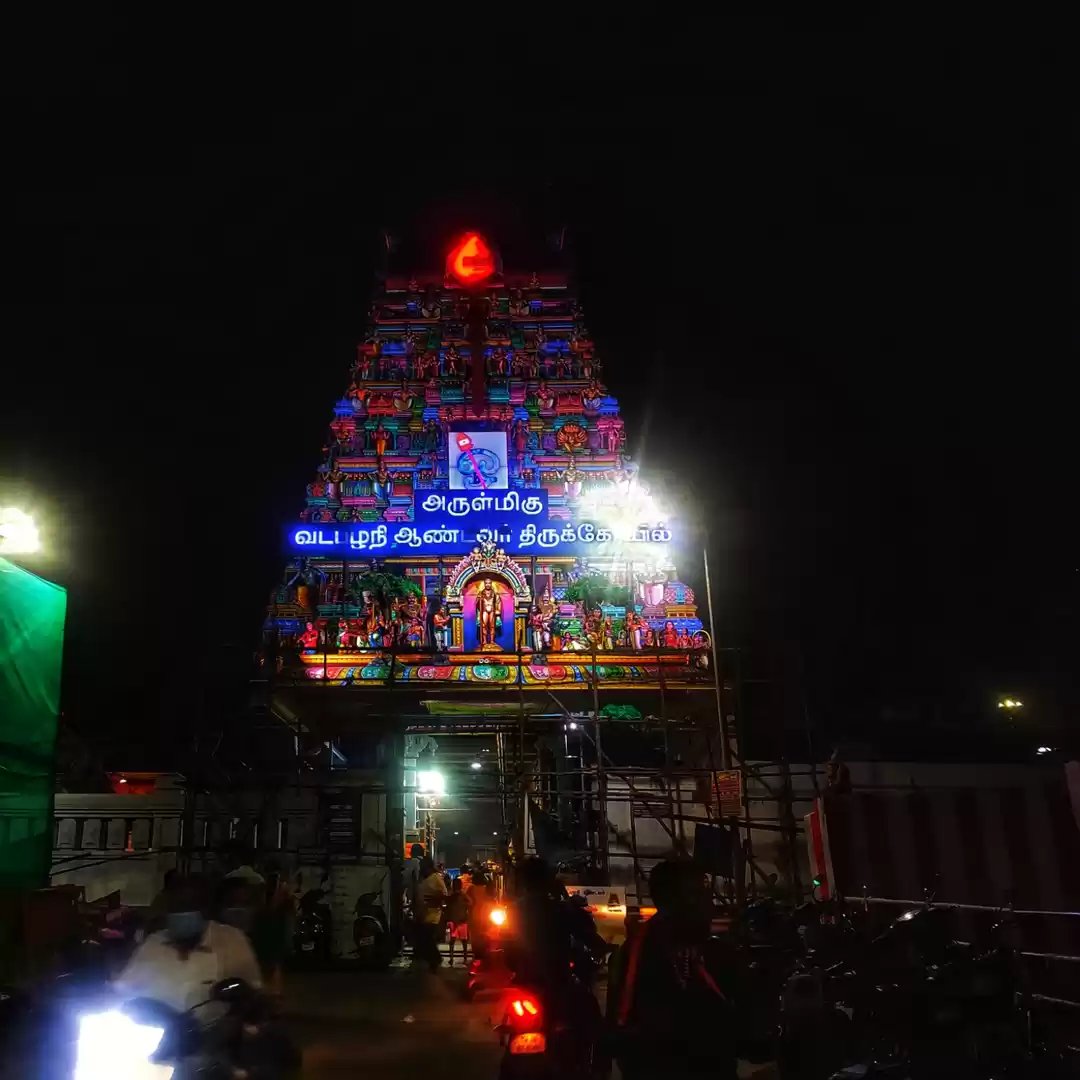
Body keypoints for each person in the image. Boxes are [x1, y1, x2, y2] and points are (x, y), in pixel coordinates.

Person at [609, 860, 735, 1080]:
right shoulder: (636, 955)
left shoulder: (714, 950)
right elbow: (621, 1028)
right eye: (696, 893)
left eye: (705, 893)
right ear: (670, 902)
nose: (709, 903)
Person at [114, 874, 262, 1021]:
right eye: (176, 907)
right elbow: (123, 987)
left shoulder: (231, 940)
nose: (181, 913)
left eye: (188, 906)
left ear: (205, 910)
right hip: (156, 1033)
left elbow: (251, 989)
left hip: (209, 1036)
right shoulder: (153, 943)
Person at [413, 856, 448, 971]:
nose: (420, 869)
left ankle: (435, 959)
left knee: (426, 937)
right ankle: (432, 960)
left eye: (422, 866)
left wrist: (431, 900)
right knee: (423, 938)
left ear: (427, 867)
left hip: (432, 916)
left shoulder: (436, 879)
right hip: (423, 915)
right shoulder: (425, 880)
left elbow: (444, 896)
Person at [444, 877, 471, 967]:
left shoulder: (452, 896)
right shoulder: (463, 895)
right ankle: (465, 959)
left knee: (452, 941)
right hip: (462, 920)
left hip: (454, 920)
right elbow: (471, 903)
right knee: (464, 941)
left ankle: (451, 958)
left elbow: (446, 904)